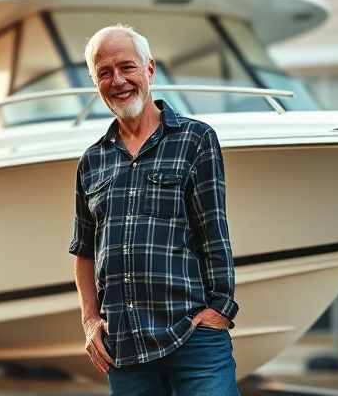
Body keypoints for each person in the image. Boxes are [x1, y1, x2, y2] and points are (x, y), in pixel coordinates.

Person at [68, 25, 240, 395]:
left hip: (194, 337)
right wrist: (90, 320)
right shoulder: (91, 161)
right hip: (125, 351)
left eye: (126, 67)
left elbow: (214, 232)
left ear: (149, 70)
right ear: (95, 82)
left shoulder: (196, 140)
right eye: (104, 72)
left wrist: (220, 310)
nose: (117, 80)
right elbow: (83, 251)